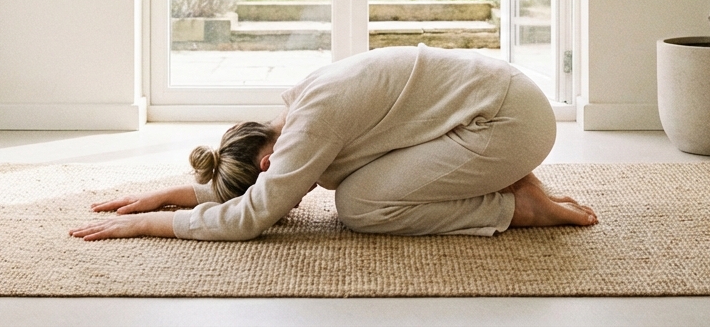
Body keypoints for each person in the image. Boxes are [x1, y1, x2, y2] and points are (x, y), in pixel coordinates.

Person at [70, 45, 598, 242]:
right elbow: (256, 196)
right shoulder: (298, 110)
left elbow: (247, 217)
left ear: (269, 160)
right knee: (366, 187)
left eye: (280, 186)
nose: (289, 205)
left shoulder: (308, 129)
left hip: (509, 122)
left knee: (361, 205)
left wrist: (142, 224)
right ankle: (506, 176)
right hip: (499, 109)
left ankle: (516, 205)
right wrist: (171, 194)